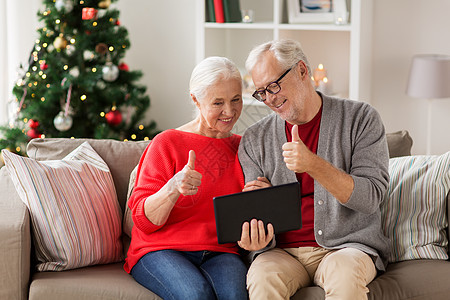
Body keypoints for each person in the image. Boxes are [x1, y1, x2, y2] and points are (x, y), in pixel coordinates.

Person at [237, 39, 390, 300]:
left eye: (274, 86)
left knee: (345, 278)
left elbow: (371, 197)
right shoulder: (254, 139)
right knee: (262, 279)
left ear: (302, 71)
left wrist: (313, 164)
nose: (269, 99)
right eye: (261, 92)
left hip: (346, 247)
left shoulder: (361, 119)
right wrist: (256, 235)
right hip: (280, 253)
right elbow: (256, 220)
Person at [124, 56, 248, 300]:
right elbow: (143, 221)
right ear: (196, 100)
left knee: (236, 295)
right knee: (195, 295)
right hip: (160, 249)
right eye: (218, 103)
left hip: (220, 251)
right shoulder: (167, 143)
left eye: (236, 100)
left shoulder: (244, 148)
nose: (230, 111)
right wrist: (172, 188)